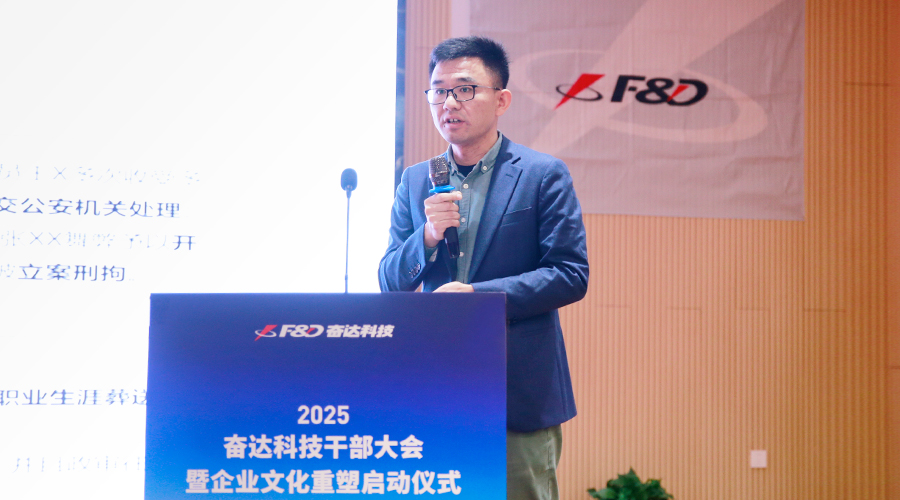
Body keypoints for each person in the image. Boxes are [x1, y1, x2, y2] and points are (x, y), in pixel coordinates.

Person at [378, 36, 589, 500]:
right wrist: (427, 236)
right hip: (436, 386)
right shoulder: (416, 179)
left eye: (465, 89)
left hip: (517, 389)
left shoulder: (542, 174)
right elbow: (390, 280)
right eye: (438, 91)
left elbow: (570, 274)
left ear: (501, 100)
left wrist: (479, 300)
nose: (449, 103)